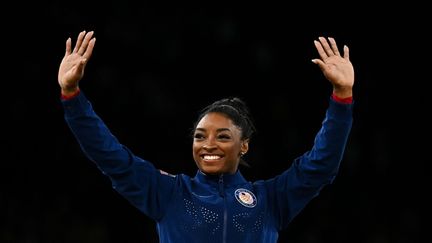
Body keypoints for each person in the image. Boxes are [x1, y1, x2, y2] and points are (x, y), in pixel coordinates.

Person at [58, 30, 354, 242]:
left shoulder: (270, 200)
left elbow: (321, 166)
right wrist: (72, 96)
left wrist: (342, 97)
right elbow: (110, 157)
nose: (208, 145)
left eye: (223, 137)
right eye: (200, 137)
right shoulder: (169, 193)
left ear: (244, 146)